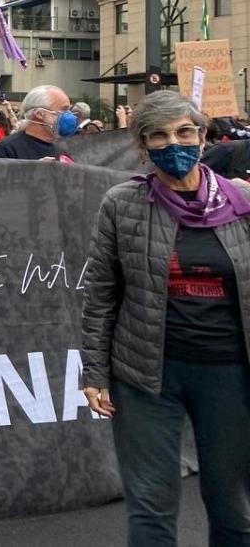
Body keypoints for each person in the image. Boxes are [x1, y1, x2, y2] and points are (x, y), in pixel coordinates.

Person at [82, 90, 250, 544]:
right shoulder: (122, 204)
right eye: (158, 135)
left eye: (184, 131)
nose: (173, 143)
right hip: (146, 376)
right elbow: (101, 293)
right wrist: (93, 371)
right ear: (143, 145)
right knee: (151, 507)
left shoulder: (243, 202)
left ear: (201, 135)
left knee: (234, 506)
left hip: (230, 375)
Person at [0, 85, 74, 160]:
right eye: (64, 110)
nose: (69, 115)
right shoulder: (4, 150)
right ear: (39, 114)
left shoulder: (62, 154)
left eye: (69, 110)